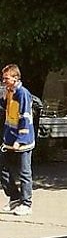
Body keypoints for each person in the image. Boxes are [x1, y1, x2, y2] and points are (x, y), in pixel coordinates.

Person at [0, 64, 36, 216]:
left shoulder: (23, 94)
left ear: (15, 78)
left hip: (23, 141)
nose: (3, 81)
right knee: (3, 169)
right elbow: (7, 110)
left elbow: (25, 117)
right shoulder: (10, 92)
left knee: (24, 172)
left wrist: (20, 139)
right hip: (9, 138)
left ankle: (26, 203)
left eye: (6, 78)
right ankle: (14, 198)